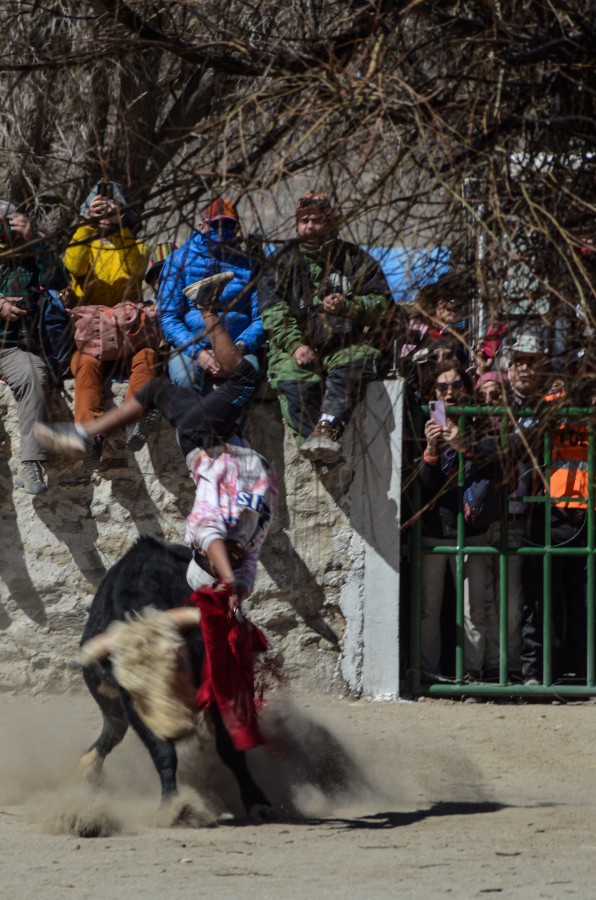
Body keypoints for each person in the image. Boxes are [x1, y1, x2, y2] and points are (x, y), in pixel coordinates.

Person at [34, 275, 277, 609]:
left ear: (205, 555)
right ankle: (83, 432)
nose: (223, 556)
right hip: (225, 436)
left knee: (245, 378)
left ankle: (205, 305)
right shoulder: (248, 550)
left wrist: (226, 581)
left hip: (204, 440)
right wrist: (235, 598)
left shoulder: (204, 528)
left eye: (211, 559)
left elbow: (212, 540)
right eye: (222, 563)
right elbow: (244, 580)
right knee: (156, 390)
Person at [258, 192, 391, 464]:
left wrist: (349, 306)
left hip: (343, 343)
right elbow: (273, 311)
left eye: (316, 220)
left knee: (357, 363)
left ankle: (327, 428)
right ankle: (315, 449)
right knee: (294, 382)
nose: (309, 227)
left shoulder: (355, 260)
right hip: (293, 347)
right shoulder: (282, 262)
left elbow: (384, 304)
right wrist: (296, 345)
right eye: (303, 220)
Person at [63, 180, 156, 462]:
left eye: (111, 209)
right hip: (91, 336)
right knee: (84, 364)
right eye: (100, 208)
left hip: (128, 333)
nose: (105, 214)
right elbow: (72, 264)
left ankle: (136, 418)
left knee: (148, 356)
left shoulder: (134, 243)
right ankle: (91, 431)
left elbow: (135, 266)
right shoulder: (82, 240)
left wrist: (120, 227)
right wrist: (88, 223)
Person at [417, 362, 499, 681]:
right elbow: (422, 489)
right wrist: (430, 450)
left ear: (467, 389)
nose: (449, 392)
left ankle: (472, 674)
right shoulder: (425, 423)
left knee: (475, 610)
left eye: (456, 386)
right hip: (435, 530)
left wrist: (464, 446)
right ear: (433, 393)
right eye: (441, 387)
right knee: (428, 609)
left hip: (473, 530)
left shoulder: (480, 424)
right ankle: (427, 673)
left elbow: (495, 464)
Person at [158, 198, 264, 395]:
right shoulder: (179, 260)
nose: (222, 231)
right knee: (185, 379)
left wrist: (237, 349)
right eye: (215, 224)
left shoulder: (250, 265)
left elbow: (260, 318)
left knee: (248, 375)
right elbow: (168, 316)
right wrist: (198, 353)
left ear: (238, 227)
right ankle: (192, 426)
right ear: (201, 225)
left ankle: (233, 426)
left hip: (236, 343)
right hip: (190, 345)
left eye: (228, 225)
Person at [0, 199, 69, 493]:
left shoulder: (31, 251)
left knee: (33, 373)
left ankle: (31, 462)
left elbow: (59, 279)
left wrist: (36, 241)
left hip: (13, 348)